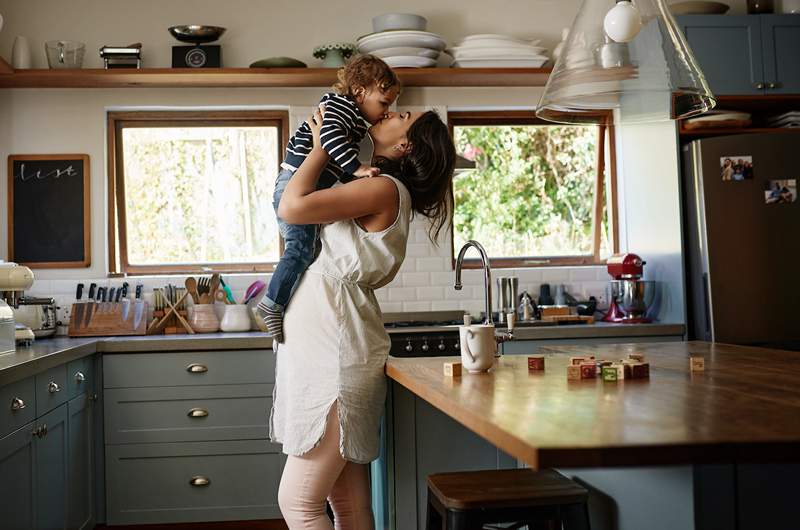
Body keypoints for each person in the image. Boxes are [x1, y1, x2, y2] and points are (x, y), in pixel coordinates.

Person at [269, 105, 455, 529]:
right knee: (348, 505)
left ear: (405, 145)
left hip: (335, 354)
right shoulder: (372, 181)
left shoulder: (384, 189)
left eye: (402, 114)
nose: (390, 110)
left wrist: (318, 148)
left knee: (298, 503)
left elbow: (292, 207)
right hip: (332, 345)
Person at [257, 55, 401, 343]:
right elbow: (330, 141)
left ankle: (280, 302)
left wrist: (354, 178)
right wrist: (357, 169)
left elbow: (334, 164)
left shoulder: (354, 118)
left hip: (304, 184)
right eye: (384, 103)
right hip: (291, 184)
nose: (387, 111)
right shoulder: (340, 106)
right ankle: (271, 304)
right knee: (299, 249)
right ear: (360, 91)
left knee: (308, 250)